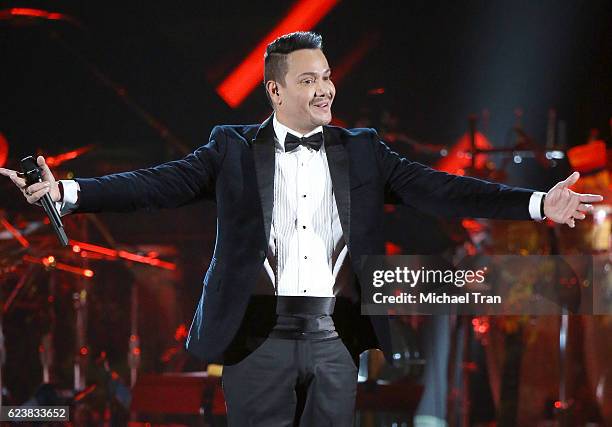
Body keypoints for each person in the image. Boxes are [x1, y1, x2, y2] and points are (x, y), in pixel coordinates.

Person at [1, 31, 603, 426]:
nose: (325, 88)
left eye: (327, 77)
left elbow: (440, 189)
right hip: (256, 335)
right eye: (309, 79)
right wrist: (68, 192)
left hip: (334, 336)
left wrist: (534, 205)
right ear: (275, 90)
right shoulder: (231, 149)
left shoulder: (363, 150)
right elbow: (159, 184)